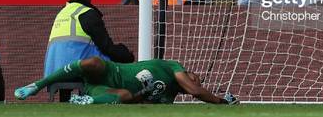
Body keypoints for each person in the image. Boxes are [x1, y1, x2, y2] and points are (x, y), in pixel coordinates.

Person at [15, 56, 238, 104]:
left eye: (196, 82)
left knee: (124, 96)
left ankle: (86, 101)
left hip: (102, 89)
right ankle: (38, 85)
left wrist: (142, 95)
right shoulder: (173, 67)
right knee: (92, 62)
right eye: (195, 78)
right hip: (112, 71)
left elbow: (139, 103)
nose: (195, 81)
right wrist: (221, 101)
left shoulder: (168, 99)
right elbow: (197, 91)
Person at [43, 0, 135, 89]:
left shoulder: (61, 13)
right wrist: (126, 55)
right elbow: (106, 47)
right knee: (116, 59)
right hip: (79, 69)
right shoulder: (87, 13)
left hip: (53, 70)